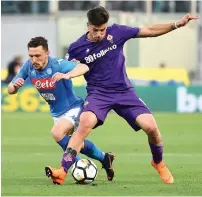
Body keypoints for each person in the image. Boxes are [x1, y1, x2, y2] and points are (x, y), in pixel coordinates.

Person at [47, 7, 199, 185]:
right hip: (98, 94)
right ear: (88, 26)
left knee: (150, 127)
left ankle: (158, 162)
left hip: (124, 91)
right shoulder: (76, 48)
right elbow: (72, 69)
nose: (99, 34)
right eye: (95, 30)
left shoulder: (117, 32)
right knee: (85, 122)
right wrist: (65, 75)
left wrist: (176, 24)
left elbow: (149, 31)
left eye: (102, 29)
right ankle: (62, 171)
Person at [7, 36, 115, 185]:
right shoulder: (29, 66)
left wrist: (66, 75)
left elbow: (84, 67)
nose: (34, 59)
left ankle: (73, 166)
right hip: (57, 113)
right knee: (76, 143)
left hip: (73, 108)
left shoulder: (57, 64)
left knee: (57, 132)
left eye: (38, 55)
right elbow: (10, 89)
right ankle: (104, 157)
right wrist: (15, 86)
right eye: (31, 56)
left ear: (47, 53)